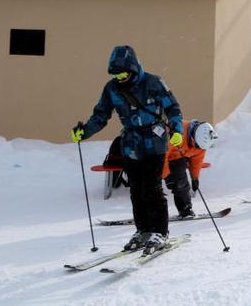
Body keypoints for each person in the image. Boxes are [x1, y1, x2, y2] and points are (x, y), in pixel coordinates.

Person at [71, 45, 183, 255]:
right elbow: (100, 115)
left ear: (133, 68)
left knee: (152, 189)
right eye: (116, 74)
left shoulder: (153, 82)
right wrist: (84, 132)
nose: (119, 77)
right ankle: (142, 230)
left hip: (154, 142)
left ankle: (160, 232)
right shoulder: (112, 89)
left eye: (123, 73)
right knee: (137, 191)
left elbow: (172, 108)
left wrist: (177, 130)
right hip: (131, 145)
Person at [162, 120, 218, 219]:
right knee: (151, 185)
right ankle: (149, 213)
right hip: (157, 156)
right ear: (192, 136)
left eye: (198, 147)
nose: (196, 148)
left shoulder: (200, 145)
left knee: (181, 183)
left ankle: (185, 209)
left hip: (177, 157)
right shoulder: (176, 132)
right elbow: (163, 155)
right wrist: (166, 175)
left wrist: (195, 178)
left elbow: (196, 161)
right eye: (195, 144)